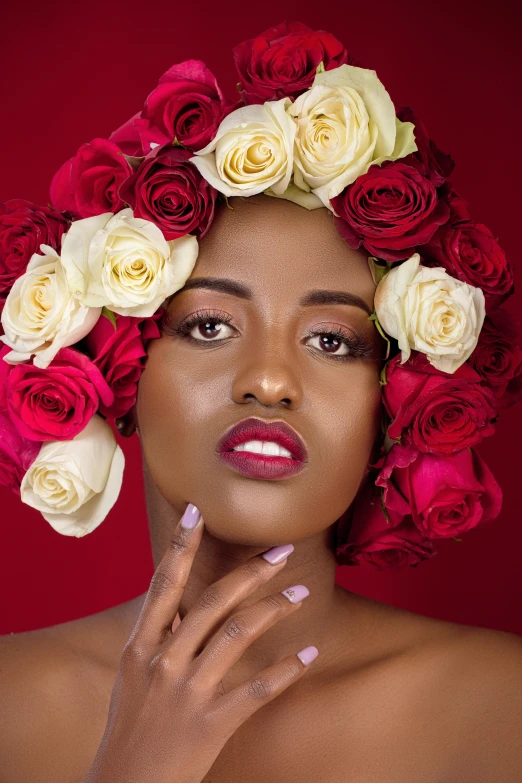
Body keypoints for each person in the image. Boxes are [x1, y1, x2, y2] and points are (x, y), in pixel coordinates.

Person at [0, 194, 521, 783]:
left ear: (395, 403)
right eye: (210, 326)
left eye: (332, 341)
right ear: (114, 369)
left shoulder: (502, 709)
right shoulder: (8, 707)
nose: (270, 382)